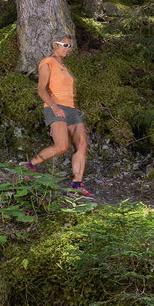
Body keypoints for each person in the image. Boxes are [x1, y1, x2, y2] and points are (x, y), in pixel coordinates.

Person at [22, 35, 91, 195]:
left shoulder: (64, 67)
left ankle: (77, 184)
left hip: (71, 109)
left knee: (82, 145)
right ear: (55, 45)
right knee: (62, 146)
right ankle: (30, 164)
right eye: (65, 45)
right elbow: (41, 89)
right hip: (55, 106)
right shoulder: (47, 62)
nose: (69, 48)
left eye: (70, 46)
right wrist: (54, 107)